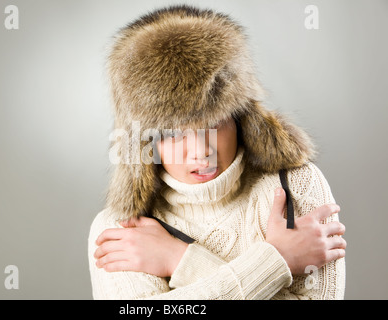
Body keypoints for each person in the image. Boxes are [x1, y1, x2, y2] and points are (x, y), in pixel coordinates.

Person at [88, 5, 346, 299]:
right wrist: (277, 260)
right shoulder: (124, 230)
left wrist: (180, 259)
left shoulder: (295, 186)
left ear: (241, 117)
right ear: (147, 141)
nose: (201, 151)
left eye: (214, 123)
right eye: (174, 133)